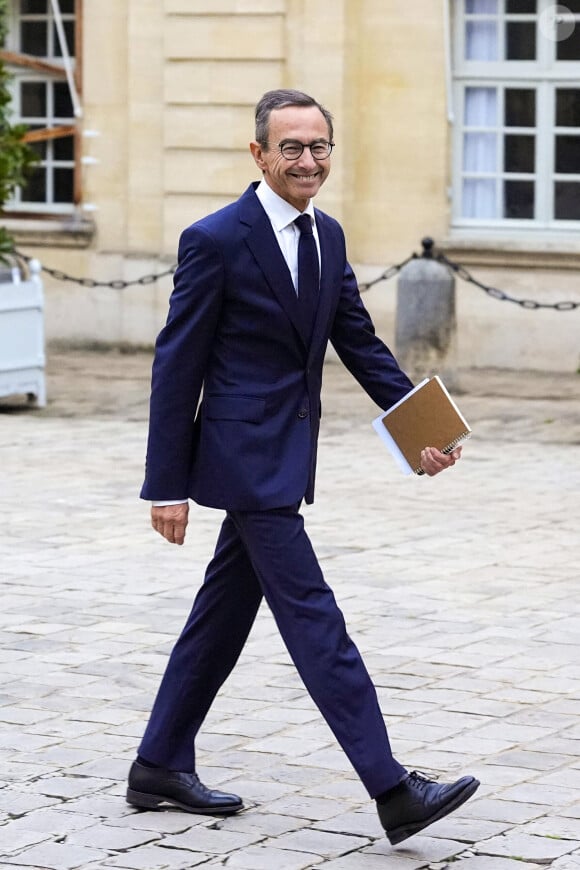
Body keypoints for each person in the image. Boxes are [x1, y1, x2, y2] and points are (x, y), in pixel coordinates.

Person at [126, 88, 479, 845]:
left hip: (286, 456)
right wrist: (166, 484)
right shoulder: (214, 239)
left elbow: (358, 343)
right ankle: (393, 788)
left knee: (219, 621)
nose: (308, 161)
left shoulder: (329, 237)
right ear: (258, 154)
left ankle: (157, 762)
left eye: (319, 147)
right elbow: (175, 366)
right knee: (318, 623)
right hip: (243, 463)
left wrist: (426, 431)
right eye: (291, 148)